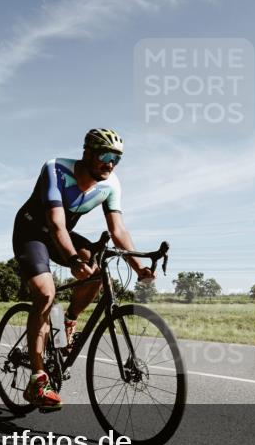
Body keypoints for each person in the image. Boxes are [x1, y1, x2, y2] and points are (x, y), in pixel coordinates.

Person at [12, 129, 155, 409]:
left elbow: (118, 230)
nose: (110, 163)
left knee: (98, 273)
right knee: (45, 293)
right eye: (104, 155)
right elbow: (56, 224)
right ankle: (37, 381)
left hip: (63, 234)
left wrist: (139, 267)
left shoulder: (111, 184)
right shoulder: (55, 169)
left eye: (116, 158)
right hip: (32, 232)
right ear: (87, 152)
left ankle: (68, 321)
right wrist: (73, 259)